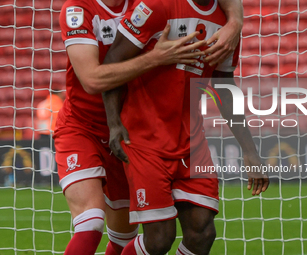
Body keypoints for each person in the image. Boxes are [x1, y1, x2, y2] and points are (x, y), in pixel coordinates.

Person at [56, 0, 243, 254]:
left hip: (130, 130)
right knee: (91, 223)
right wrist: (157, 57)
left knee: (124, 238)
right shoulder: (78, 9)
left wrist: (235, 21)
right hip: (84, 126)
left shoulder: (145, 4)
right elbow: (91, 80)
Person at [102, 0, 270, 254]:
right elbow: (113, 59)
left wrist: (250, 150)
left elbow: (224, 86)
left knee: (202, 233)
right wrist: (114, 124)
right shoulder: (157, 6)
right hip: (144, 138)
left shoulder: (227, 25)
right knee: (159, 240)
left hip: (191, 142)